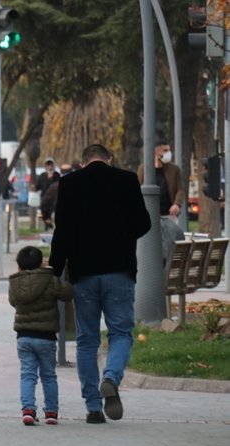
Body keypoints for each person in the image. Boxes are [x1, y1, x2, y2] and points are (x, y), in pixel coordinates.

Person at [49, 144, 150, 424]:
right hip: (119, 270)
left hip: (84, 273)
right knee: (120, 333)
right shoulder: (127, 179)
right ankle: (111, 377)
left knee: (86, 340)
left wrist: (55, 269)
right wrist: (122, 232)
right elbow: (144, 224)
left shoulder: (69, 184)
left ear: (83, 164)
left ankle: (93, 407)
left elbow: (63, 230)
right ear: (109, 159)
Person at [8, 246, 74, 426]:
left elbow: (13, 302)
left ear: (19, 266)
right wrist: (51, 272)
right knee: (49, 375)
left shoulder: (15, 283)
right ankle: (51, 412)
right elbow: (68, 293)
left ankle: (28, 410)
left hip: (23, 336)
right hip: (46, 336)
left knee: (27, 375)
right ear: (40, 263)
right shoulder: (50, 281)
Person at [136, 139, 186, 265]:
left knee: (170, 246)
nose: (169, 153)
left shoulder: (174, 169)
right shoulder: (144, 169)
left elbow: (180, 189)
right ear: (156, 151)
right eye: (165, 150)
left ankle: (168, 272)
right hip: (149, 216)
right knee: (151, 247)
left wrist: (177, 204)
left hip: (169, 215)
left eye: (169, 150)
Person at [35, 159, 61, 230]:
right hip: (45, 201)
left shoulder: (57, 175)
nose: (50, 167)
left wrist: (51, 178)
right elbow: (37, 187)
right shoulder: (42, 176)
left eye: (51, 165)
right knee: (47, 219)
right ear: (46, 167)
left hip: (55, 201)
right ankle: (48, 230)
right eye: (48, 165)